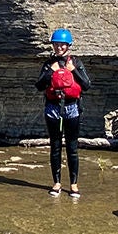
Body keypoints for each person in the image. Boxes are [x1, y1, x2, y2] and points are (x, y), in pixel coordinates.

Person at [35, 28, 91, 198]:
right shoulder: (48, 64)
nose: (59, 47)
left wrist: (73, 70)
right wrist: (50, 72)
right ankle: (57, 183)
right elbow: (39, 85)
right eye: (56, 44)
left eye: (62, 44)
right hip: (53, 108)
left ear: (68, 46)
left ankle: (74, 184)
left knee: (72, 148)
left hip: (72, 108)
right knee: (55, 146)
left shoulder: (76, 62)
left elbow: (86, 85)